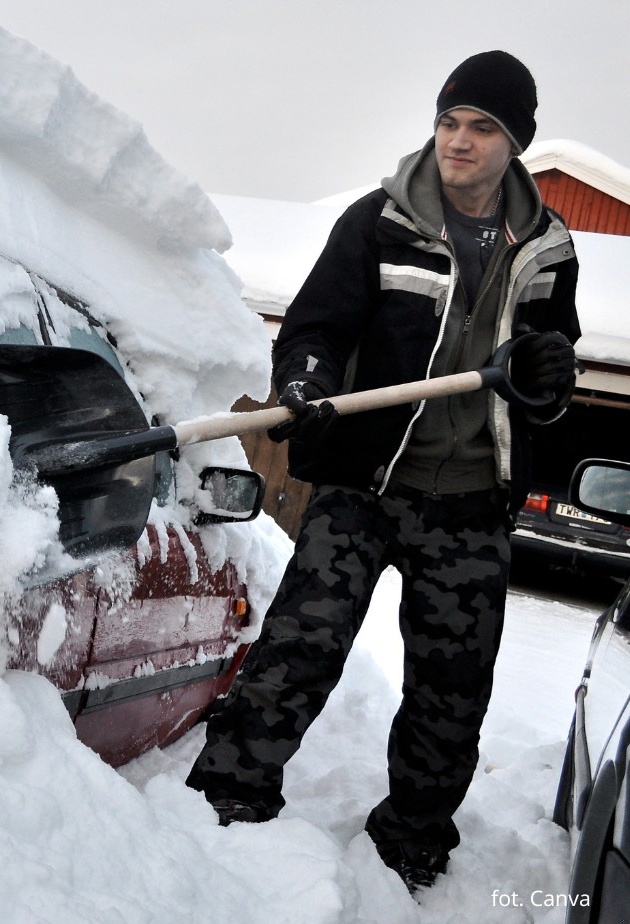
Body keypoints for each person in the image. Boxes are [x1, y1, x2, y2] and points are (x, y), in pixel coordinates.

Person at [185, 50, 581, 893]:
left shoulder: (549, 248)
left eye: (482, 127)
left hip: (471, 501)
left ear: (515, 143)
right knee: (303, 643)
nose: (459, 141)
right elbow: (316, 327)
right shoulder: (379, 221)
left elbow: (547, 376)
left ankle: (413, 841)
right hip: (365, 484)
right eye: (449, 122)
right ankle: (228, 793)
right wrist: (306, 381)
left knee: (452, 689)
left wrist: (551, 379)